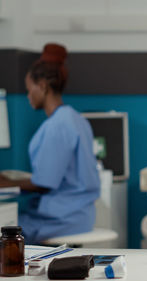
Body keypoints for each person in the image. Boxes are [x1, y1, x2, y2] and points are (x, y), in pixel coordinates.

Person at [0, 43, 100, 244]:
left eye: (30, 90)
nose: (28, 97)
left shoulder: (57, 125)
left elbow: (44, 183)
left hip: (61, 218)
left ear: (43, 86)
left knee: (8, 229)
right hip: (81, 214)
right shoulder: (76, 119)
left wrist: (7, 183)